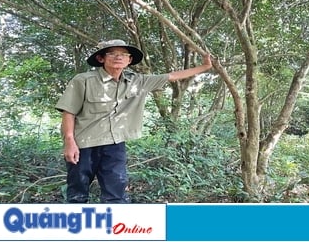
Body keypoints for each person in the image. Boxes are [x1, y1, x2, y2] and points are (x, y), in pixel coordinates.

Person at [55, 39, 212, 203]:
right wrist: (69, 142)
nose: (118, 57)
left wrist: (205, 67)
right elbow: (69, 112)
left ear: (129, 60)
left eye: (123, 54)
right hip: (84, 145)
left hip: (115, 145)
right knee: (77, 194)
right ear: (101, 58)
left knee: (116, 194)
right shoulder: (83, 80)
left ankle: (116, 227)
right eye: (113, 53)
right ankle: (78, 226)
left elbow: (172, 76)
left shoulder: (138, 81)